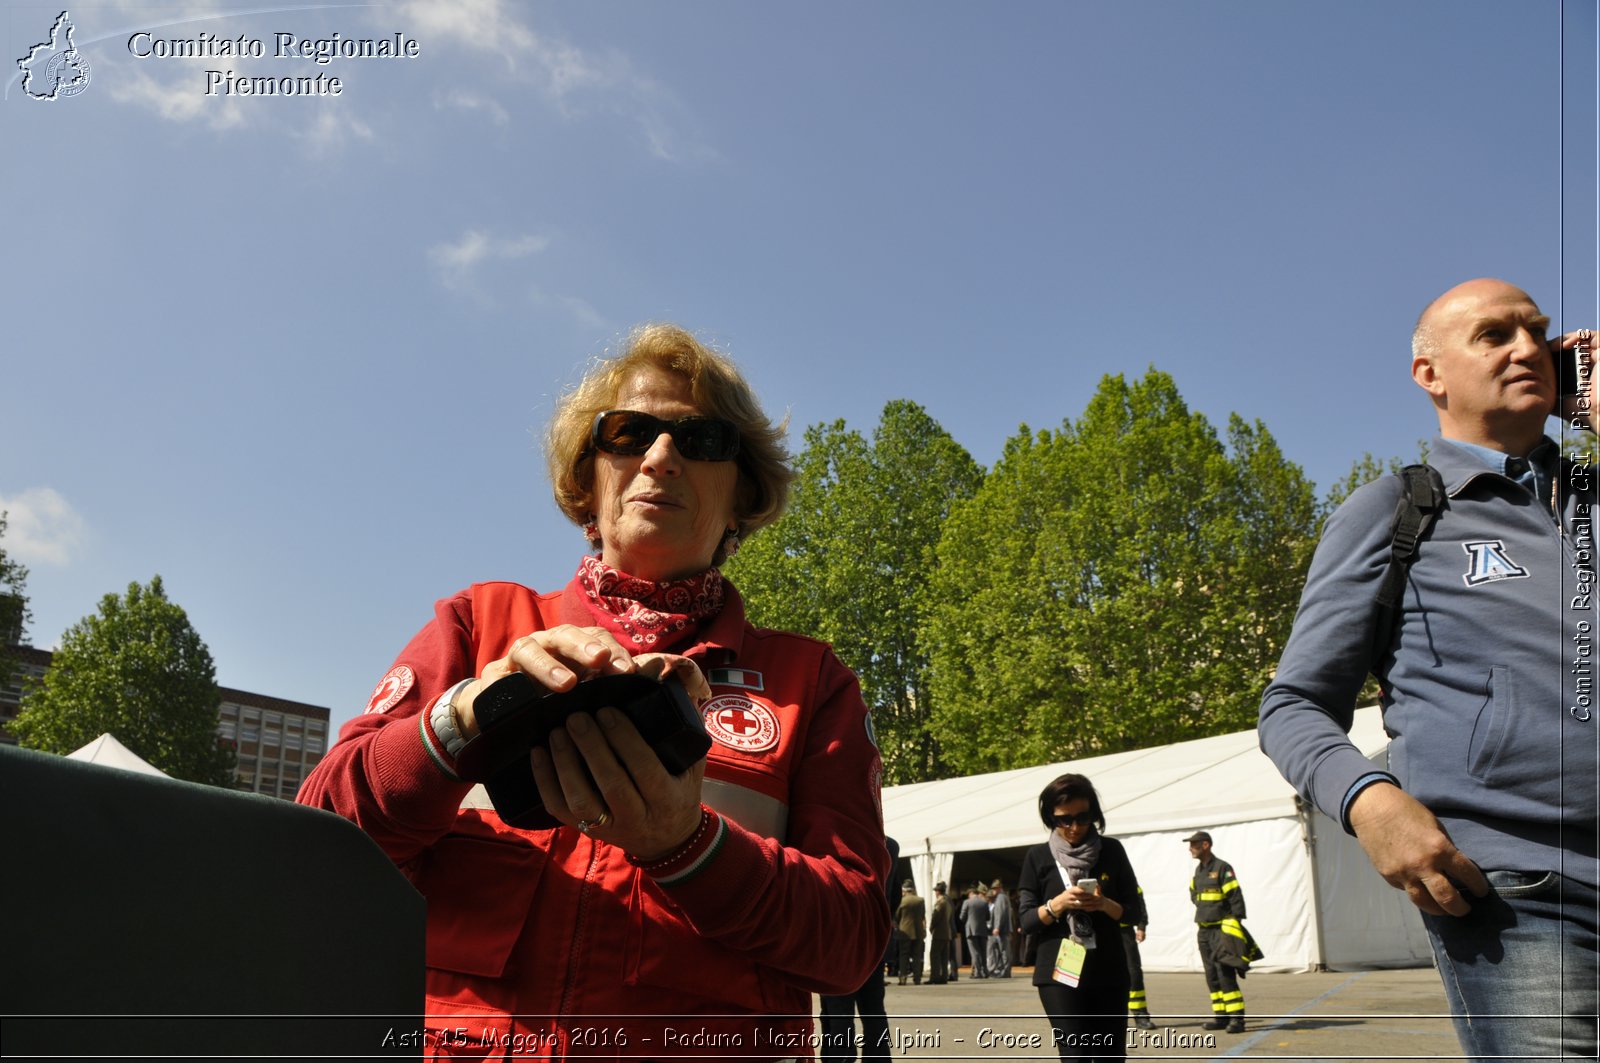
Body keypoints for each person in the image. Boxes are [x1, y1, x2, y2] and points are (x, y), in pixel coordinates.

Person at [297, 323, 892, 1058]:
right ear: (588, 479)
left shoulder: (813, 683)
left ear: (743, 495)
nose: (662, 456)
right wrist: (462, 720)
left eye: (702, 440)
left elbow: (853, 942)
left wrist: (687, 846)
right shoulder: (476, 624)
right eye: (629, 432)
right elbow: (319, 837)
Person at [1259, 278, 1598, 1061]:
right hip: (1522, 894)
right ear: (1430, 374)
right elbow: (1294, 702)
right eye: (1493, 335)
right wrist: (1370, 802)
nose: (1526, 349)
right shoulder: (1399, 509)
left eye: (1537, 332)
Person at [1019, 773, 1140, 1062]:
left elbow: (1134, 910)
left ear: (1094, 815)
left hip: (1108, 969)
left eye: (1083, 818)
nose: (1074, 827)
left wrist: (1103, 904)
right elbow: (1026, 921)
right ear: (1051, 817)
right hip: (1059, 972)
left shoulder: (1111, 850)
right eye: (1064, 819)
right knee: (1075, 1055)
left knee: (1111, 1055)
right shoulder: (1037, 857)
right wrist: (1056, 905)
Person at [820, 837, 899, 1063]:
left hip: (837, 944)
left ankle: (840, 1058)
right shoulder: (890, 846)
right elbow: (894, 898)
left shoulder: (835, 841)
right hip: (873, 943)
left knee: (837, 1013)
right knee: (874, 1010)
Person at [1185, 831, 1246, 1033]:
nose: (1190, 848)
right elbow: (1193, 894)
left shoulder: (1222, 868)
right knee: (1211, 975)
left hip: (1221, 930)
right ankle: (1221, 1016)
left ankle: (1237, 1019)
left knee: (1225, 973)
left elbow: (1235, 896)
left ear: (1205, 845)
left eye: (1193, 844)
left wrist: (1233, 925)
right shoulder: (1198, 871)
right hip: (1203, 931)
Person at [1119, 883, 1155, 1030]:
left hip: (1125, 933)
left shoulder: (1124, 876)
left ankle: (1140, 1015)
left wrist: (1141, 926)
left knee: (1133, 973)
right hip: (1101, 933)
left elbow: (1139, 903)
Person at [894, 880, 926, 985]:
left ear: (904, 890)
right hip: (918, 931)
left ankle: (903, 978)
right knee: (917, 955)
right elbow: (922, 916)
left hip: (905, 931)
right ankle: (917, 978)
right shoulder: (920, 900)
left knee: (904, 955)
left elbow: (897, 916)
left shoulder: (902, 901)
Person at [960, 884, 992, 978]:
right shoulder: (984, 903)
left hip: (971, 930)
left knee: (975, 952)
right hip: (982, 930)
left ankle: (978, 973)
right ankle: (985, 971)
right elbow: (988, 917)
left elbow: (962, 917)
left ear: (970, 893)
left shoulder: (967, 902)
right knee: (983, 952)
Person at [988, 877, 1014, 978]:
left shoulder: (1001, 898)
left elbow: (1000, 913)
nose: (993, 891)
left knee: (1004, 950)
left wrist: (997, 927)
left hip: (1003, 929)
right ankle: (1004, 970)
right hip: (1004, 929)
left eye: (994, 889)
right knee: (1003, 950)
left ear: (999, 888)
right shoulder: (1002, 897)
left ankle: (1005, 971)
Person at [929, 881, 953, 984]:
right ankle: (943, 977)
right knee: (944, 956)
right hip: (947, 932)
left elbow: (936, 916)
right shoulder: (948, 902)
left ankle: (935, 977)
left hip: (939, 932)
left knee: (934, 955)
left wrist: (931, 927)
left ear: (938, 892)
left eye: (936, 891)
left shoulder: (941, 902)